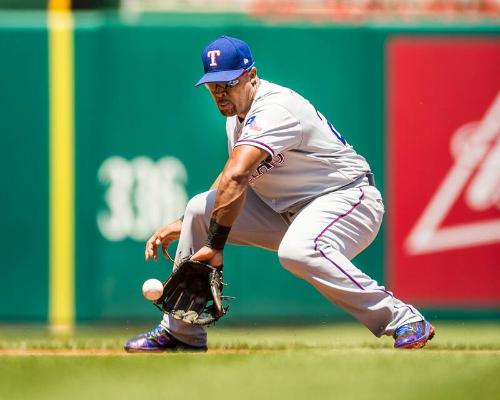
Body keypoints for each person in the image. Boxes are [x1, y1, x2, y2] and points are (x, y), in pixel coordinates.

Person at [124, 35, 435, 352]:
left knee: (298, 251)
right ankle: (181, 332)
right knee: (198, 209)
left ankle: (404, 319)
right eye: (212, 85)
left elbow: (239, 173)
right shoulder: (236, 115)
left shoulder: (275, 108)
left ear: (251, 76)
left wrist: (214, 244)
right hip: (290, 212)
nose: (219, 93)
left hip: (348, 200)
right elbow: (230, 175)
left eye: (227, 83)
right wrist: (184, 222)